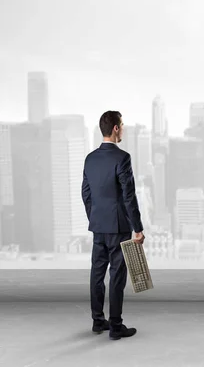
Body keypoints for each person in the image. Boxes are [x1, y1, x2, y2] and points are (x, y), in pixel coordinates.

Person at [81, 110, 145, 340]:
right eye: (123, 125)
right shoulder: (122, 158)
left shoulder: (90, 159)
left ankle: (98, 321)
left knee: (97, 273)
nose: (124, 129)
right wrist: (138, 227)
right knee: (117, 275)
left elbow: (85, 194)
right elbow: (129, 196)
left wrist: (95, 217)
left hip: (98, 225)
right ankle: (116, 326)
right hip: (118, 227)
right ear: (116, 128)